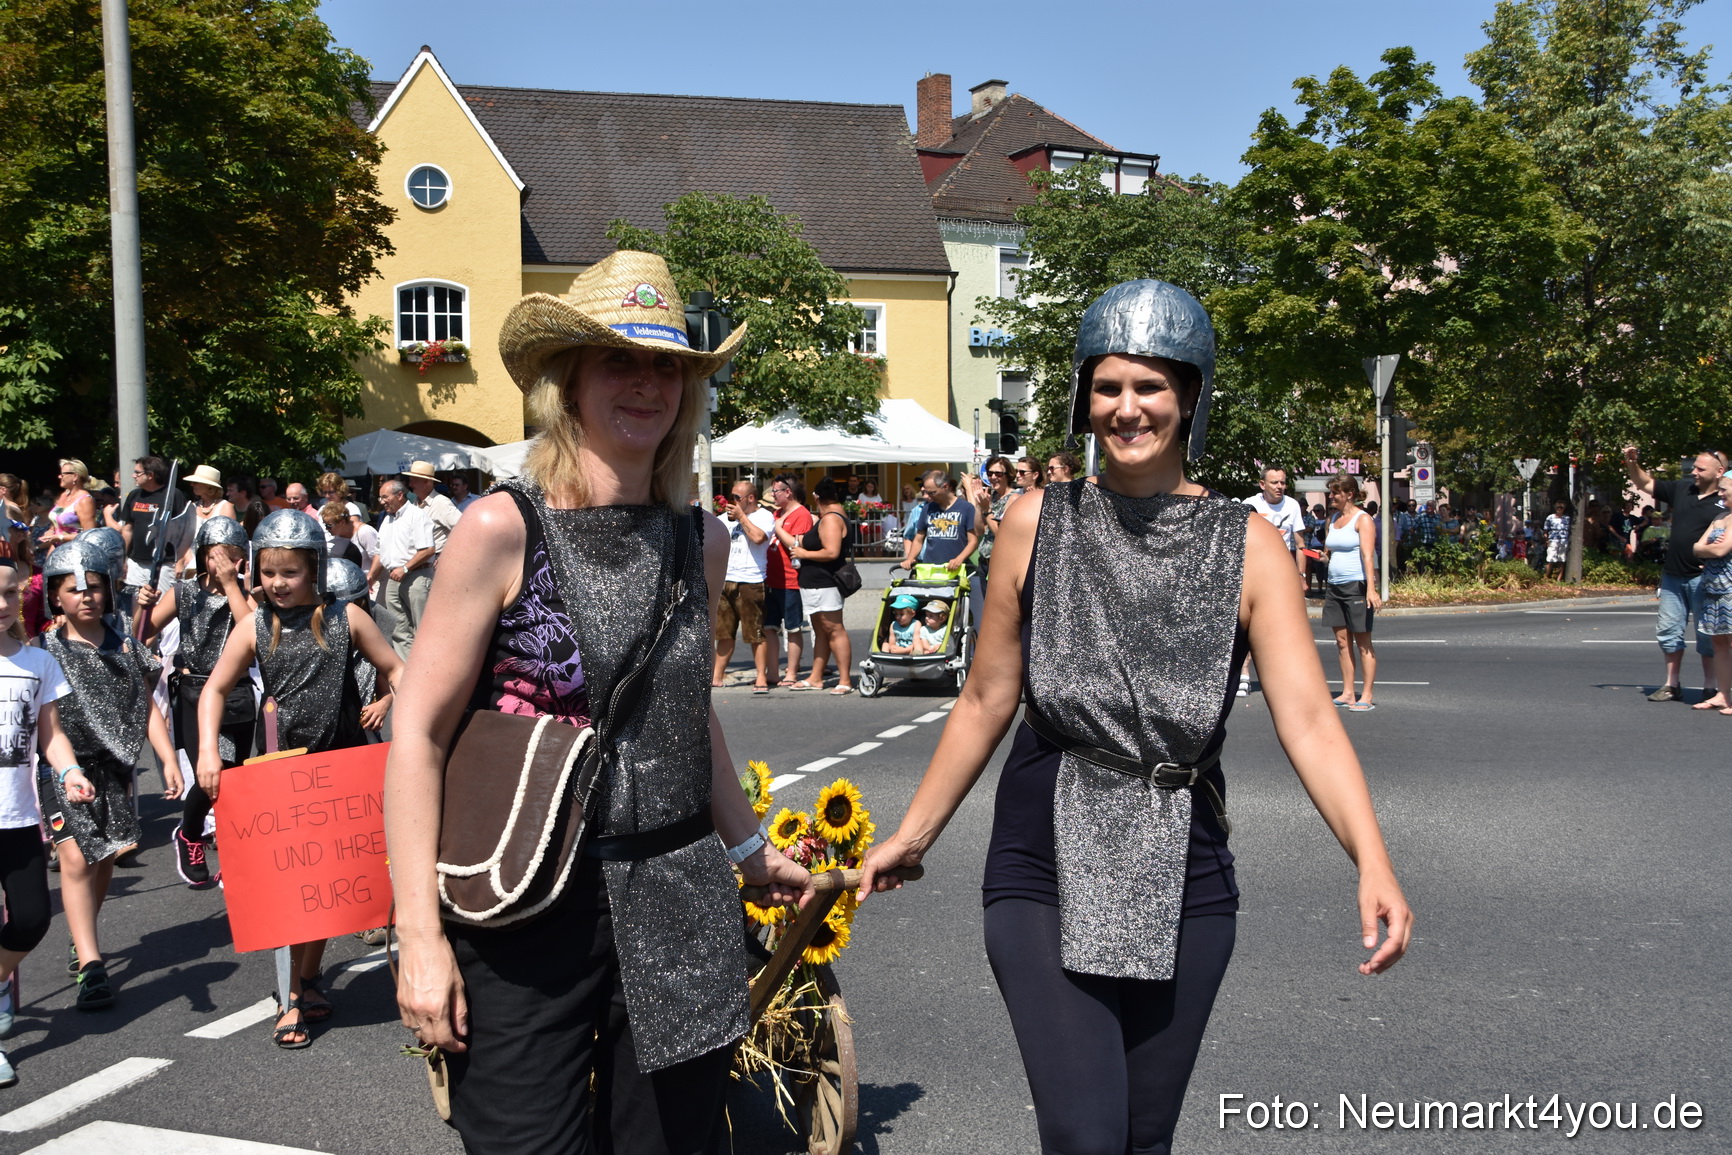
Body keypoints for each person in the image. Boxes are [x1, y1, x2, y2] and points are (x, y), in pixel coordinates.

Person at [857, 279, 1410, 1155]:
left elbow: (1306, 716)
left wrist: (1371, 858)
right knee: (1085, 1135)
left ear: (1189, 395)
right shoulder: (1037, 521)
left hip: (1186, 861)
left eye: (1150, 386)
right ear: (1085, 396)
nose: (1127, 408)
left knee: (1142, 1138)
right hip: (1045, 849)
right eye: (1108, 387)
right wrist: (914, 834)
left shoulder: (1250, 542)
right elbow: (988, 697)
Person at [384, 251, 811, 1153]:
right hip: (525, 899)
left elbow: (686, 714)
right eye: (620, 359)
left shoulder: (700, 538)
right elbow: (417, 735)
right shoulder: (501, 527)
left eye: (667, 365)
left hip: (679, 894)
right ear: (568, 380)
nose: (647, 383)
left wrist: (747, 848)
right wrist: (418, 934)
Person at [195, 510, 402, 1047]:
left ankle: (308, 979)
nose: (278, 585)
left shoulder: (347, 617)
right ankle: (288, 998)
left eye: (289, 573)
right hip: (283, 771)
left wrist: (399, 702)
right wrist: (208, 752)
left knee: (328, 890)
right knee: (290, 891)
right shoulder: (253, 626)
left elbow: (399, 667)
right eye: (268, 574)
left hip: (343, 770)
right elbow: (215, 689)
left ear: (313, 568)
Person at [39, 541, 179, 1011]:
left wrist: (168, 760)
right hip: (61, 769)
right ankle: (93, 967)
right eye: (74, 589)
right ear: (55, 596)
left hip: (112, 767)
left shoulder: (124, 644)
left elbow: (148, 707)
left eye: (94, 588)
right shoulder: (44, 649)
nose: (86, 597)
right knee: (76, 859)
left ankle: (84, 940)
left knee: (101, 859)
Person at [136, 516, 254, 887]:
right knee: (212, 770)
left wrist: (232, 586)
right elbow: (145, 630)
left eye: (229, 557)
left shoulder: (249, 596)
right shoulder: (185, 592)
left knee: (232, 775)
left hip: (235, 693)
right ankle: (189, 833)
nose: (219, 564)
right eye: (213, 556)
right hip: (193, 690)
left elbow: (252, 633)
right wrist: (143, 605)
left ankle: (232, 852)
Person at [0, 539, 70, 1086]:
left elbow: (51, 736)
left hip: (20, 818)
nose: (1, 603)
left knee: (31, 919)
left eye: (8, 593)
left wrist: (70, 773)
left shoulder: (37, 662)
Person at [1622, 446, 1725, 702]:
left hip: (1706, 578)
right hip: (1673, 576)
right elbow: (1644, 483)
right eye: (1694, 467)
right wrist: (1632, 463)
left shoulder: (1725, 502)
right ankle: (1672, 684)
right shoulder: (1683, 489)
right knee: (1668, 630)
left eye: (1701, 469)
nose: (1694, 472)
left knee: (1708, 634)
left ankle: (1711, 687)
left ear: (1719, 471)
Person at [779, 476, 855, 693]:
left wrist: (804, 553)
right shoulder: (829, 516)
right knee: (820, 630)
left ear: (816, 497)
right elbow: (808, 540)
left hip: (825, 582)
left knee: (834, 629)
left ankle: (845, 680)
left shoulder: (831, 518)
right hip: (815, 582)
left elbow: (832, 552)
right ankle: (815, 677)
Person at [1239, 467, 1307, 697]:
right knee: (1247, 626)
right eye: (1275, 482)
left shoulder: (1292, 506)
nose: (1279, 487)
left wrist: (1301, 576)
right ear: (1262, 484)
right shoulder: (1250, 504)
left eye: (1283, 482)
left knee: (1283, 627)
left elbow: (1300, 545)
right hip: (1253, 571)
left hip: (1281, 573)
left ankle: (1283, 679)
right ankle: (1244, 674)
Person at [1323, 474, 1380, 710]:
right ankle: (1348, 693)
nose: (1331, 496)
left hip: (1356, 586)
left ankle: (1366, 695)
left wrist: (1372, 590)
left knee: (1362, 642)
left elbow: (1367, 555)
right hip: (1334, 587)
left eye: (1336, 492)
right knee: (1341, 641)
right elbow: (1331, 552)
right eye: (1331, 492)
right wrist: (1323, 556)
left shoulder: (1363, 519)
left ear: (1349, 494)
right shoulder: (1334, 519)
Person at [713, 480, 773, 692]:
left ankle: (761, 678)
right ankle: (717, 676)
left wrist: (741, 517)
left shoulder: (764, 516)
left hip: (751, 580)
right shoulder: (724, 519)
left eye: (737, 498)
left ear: (751, 498)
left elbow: (758, 538)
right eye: (731, 497)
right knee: (724, 633)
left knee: (755, 633)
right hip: (726, 579)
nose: (733, 502)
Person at [108, 456, 190, 609]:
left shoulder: (173, 495)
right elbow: (128, 529)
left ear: (150, 475)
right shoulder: (134, 495)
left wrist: (179, 562)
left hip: (164, 563)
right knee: (133, 604)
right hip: (136, 562)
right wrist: (123, 559)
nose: (133, 476)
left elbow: (182, 531)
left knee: (162, 605)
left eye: (137, 473)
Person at [370, 479, 436, 659]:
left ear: (399, 495)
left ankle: (427, 670)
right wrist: (371, 576)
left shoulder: (416, 515)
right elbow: (379, 554)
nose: (381, 501)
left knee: (422, 628)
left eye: (385, 497)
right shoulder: (387, 520)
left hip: (416, 576)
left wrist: (405, 569)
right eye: (380, 497)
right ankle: (406, 673)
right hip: (394, 577)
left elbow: (428, 550)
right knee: (398, 629)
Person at [763, 474, 811, 688]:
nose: (773, 495)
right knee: (769, 627)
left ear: (788, 492)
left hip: (790, 580)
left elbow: (796, 545)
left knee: (792, 628)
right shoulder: (777, 513)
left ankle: (792, 672)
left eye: (776, 491)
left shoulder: (801, 514)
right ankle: (772, 672)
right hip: (771, 579)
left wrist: (779, 527)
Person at [1690, 475, 1732, 714]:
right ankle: (1723, 695)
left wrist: (1709, 549)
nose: (1719, 494)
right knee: (1719, 642)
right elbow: (1697, 547)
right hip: (1714, 589)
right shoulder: (1720, 517)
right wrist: (1708, 549)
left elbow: (1720, 549)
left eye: (1724, 489)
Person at [901, 470, 978, 573]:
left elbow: (973, 541)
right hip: (930, 569)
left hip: (955, 570)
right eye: (927, 493)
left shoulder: (966, 508)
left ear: (945, 487)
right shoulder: (927, 508)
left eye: (933, 492)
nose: (929, 496)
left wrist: (959, 559)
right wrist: (910, 558)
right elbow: (918, 539)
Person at [177, 465, 237, 575]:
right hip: (189, 564)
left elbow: (227, 542)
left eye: (196, 482)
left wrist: (208, 563)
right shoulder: (191, 507)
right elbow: (185, 538)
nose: (192, 485)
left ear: (209, 486)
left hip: (215, 565)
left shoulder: (225, 506)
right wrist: (183, 561)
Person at [401, 461, 462, 558]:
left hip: (435, 562)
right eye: (410, 480)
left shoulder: (441, 502)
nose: (410, 484)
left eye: (414, 480)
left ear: (427, 482)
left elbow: (462, 528)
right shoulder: (415, 503)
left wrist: (447, 555)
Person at [43, 460, 98, 552]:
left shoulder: (85, 500)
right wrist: (50, 531)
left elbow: (89, 534)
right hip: (56, 550)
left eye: (63, 474)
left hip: (74, 552)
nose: (59, 476)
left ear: (75, 476)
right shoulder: (63, 496)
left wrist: (60, 537)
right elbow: (56, 521)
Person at [320, 502, 364, 567]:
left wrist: (370, 576)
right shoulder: (338, 539)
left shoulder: (364, 532)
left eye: (329, 525)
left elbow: (377, 556)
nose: (326, 528)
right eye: (325, 525)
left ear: (342, 522)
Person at [1542, 500, 1570, 580]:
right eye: (1558, 507)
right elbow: (1545, 530)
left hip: (1563, 541)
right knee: (1550, 559)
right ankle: (1546, 578)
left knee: (1562, 560)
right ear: (1555, 507)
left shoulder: (1567, 518)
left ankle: (1559, 579)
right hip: (1553, 541)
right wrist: (1547, 540)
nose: (1559, 509)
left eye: (1561, 507)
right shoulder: (1550, 517)